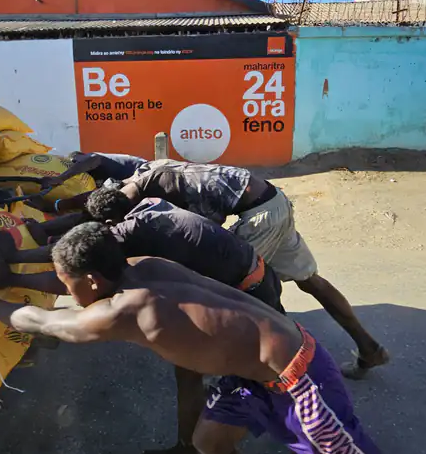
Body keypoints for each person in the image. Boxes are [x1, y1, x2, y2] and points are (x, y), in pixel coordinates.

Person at [0, 224, 426, 454]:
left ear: (91, 282)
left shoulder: (127, 311)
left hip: (299, 383)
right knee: (212, 442)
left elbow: (50, 323)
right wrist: (11, 274)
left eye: (68, 282)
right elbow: (68, 287)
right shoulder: (145, 269)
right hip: (256, 373)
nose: (64, 289)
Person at [0, 193, 284, 454]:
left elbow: (58, 304)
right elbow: (75, 274)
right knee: (205, 386)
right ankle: (192, 452)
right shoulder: (138, 253)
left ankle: (305, 433)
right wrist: (13, 271)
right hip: (249, 286)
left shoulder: (129, 274)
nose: (70, 290)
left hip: (251, 290)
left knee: (271, 383)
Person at [87, 160, 389, 379]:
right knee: (309, 280)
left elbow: (208, 239)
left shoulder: (165, 188)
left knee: (247, 292)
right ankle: (368, 347)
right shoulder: (149, 173)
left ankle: (295, 374)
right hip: (274, 200)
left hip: (260, 217)